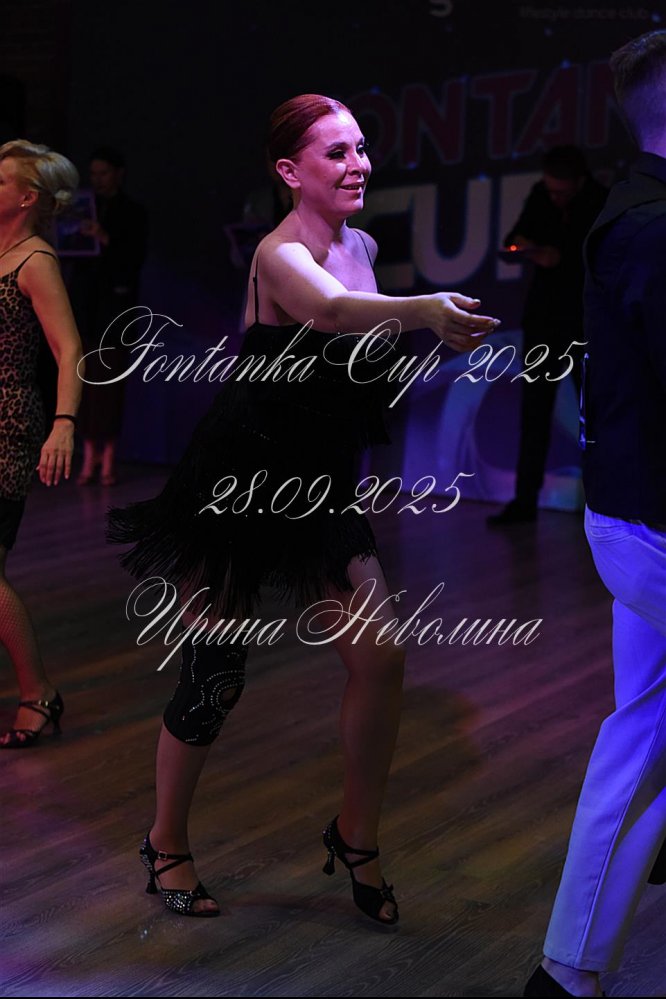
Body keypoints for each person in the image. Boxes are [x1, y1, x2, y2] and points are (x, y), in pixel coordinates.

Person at [108, 94, 500, 922]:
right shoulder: (279, 253)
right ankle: (165, 840)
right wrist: (424, 310)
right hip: (240, 479)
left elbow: (351, 350)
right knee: (217, 672)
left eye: (361, 148)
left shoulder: (363, 245)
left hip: (317, 483)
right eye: (336, 152)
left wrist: (404, 339)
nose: (358, 164)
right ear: (291, 171)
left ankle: (356, 833)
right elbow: (329, 312)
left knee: (382, 657)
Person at [524, 31, 666, 998]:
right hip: (651, 522)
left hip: (638, 515)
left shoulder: (638, 213)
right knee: (642, 732)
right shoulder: (651, 225)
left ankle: (569, 970)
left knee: (643, 731)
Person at [0, 140, 83, 748]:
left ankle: (38, 693)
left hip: (8, 422)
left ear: (27, 198)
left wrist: (64, 422)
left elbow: (69, 348)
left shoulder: (35, 260)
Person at [487, 146, 607, 527]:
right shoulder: (540, 195)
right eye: (551, 190)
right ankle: (524, 501)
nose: (555, 197)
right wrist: (525, 246)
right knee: (534, 412)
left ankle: (602, 504)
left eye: (561, 192)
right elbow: (513, 238)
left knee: (595, 416)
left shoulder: (599, 201)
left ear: (579, 182)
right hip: (543, 320)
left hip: (583, 322)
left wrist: (562, 257)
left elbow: (601, 258)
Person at [69, 146, 147, 486]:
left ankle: (108, 457)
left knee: (110, 383)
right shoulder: (82, 209)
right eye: (93, 174)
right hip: (85, 308)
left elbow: (133, 259)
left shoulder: (133, 213)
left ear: (118, 173)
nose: (97, 180)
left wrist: (105, 239)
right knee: (85, 381)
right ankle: (89, 456)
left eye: (103, 173)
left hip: (115, 311)